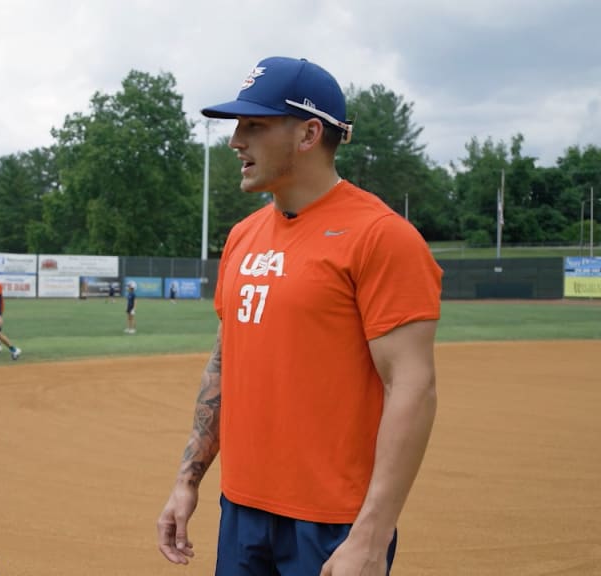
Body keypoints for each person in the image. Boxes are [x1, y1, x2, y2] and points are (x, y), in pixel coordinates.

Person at [156, 57, 443, 576]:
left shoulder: (382, 236)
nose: (235, 140)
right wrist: (188, 479)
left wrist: (372, 537)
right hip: (242, 512)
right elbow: (225, 362)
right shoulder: (242, 238)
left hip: (332, 524)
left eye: (254, 126)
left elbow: (413, 387)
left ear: (310, 133)